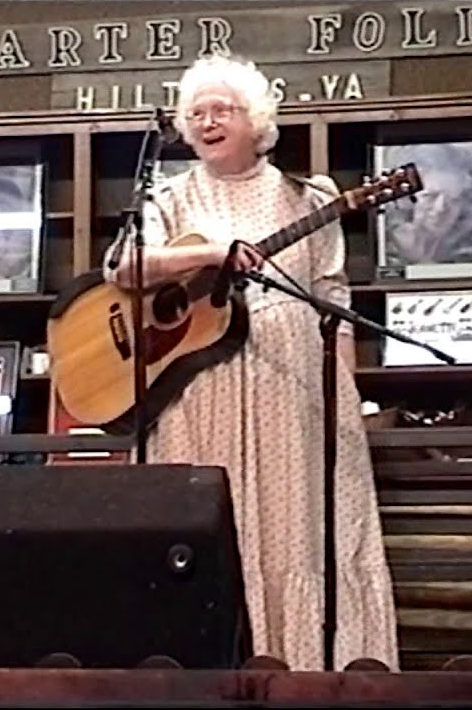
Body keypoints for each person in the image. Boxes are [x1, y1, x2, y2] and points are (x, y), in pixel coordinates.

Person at [103, 55, 399, 671]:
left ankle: (302, 662)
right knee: (203, 524)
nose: (208, 121)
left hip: (286, 381)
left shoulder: (306, 195)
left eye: (223, 110)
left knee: (292, 526)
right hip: (196, 389)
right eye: (197, 112)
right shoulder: (170, 197)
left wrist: (339, 391)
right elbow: (120, 268)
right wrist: (211, 253)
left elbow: (332, 294)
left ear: (255, 119)